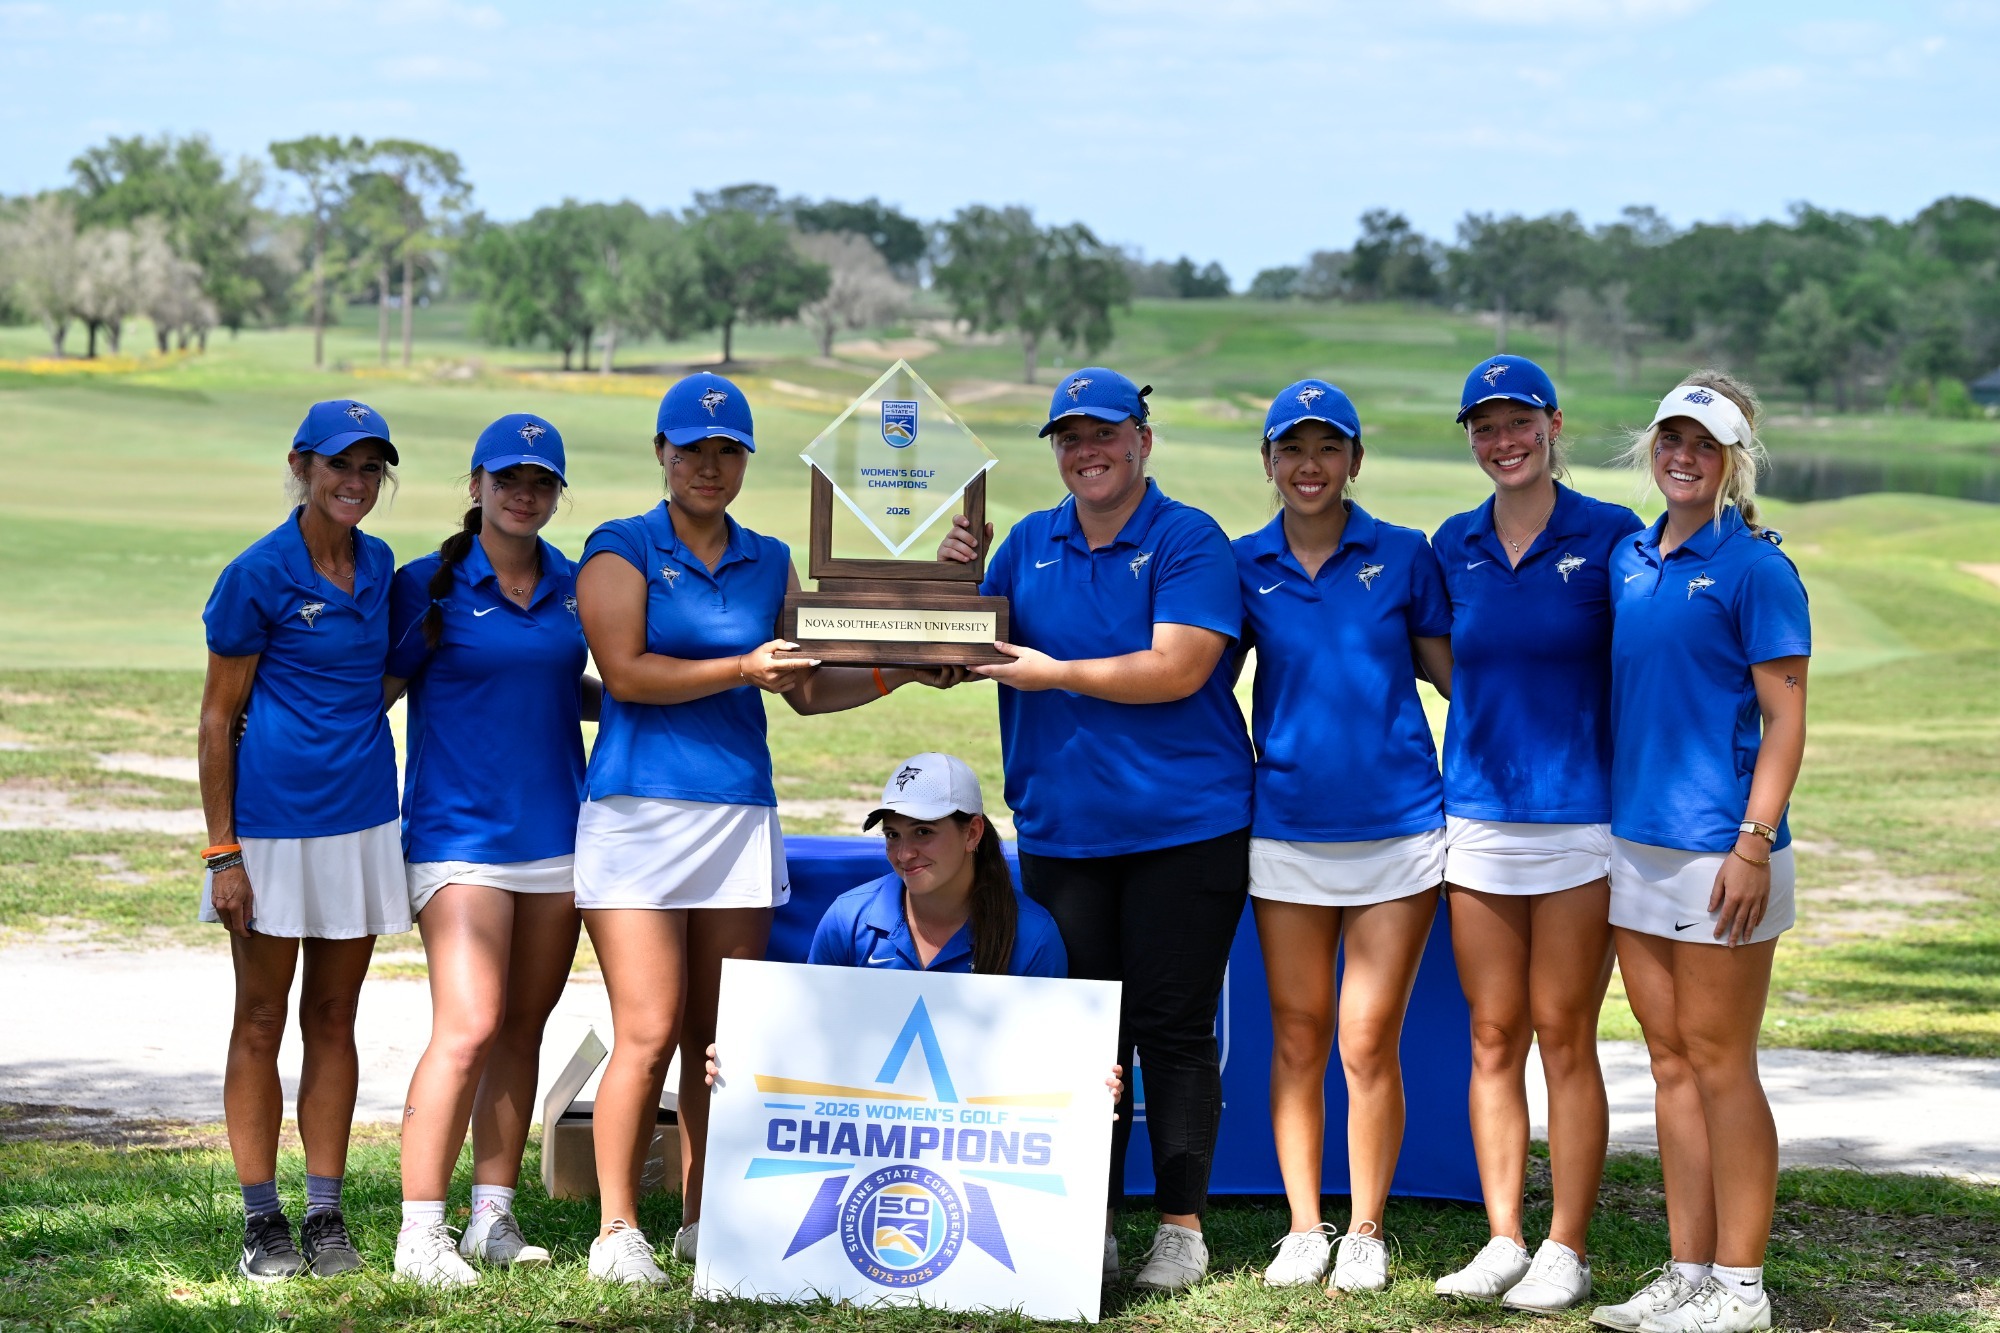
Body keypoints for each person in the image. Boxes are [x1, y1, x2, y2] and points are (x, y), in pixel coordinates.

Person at [573, 372, 961, 1286]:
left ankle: (703, 1218)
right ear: (662, 454)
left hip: (738, 810)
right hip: (637, 813)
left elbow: (807, 689)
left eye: (727, 451)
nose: (709, 466)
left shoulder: (770, 557)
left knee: (718, 1033)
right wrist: (741, 666)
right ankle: (617, 1229)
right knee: (648, 1027)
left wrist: (903, 669)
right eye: (691, 450)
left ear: (744, 460)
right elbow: (625, 673)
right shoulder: (620, 546)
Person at [939, 367, 1254, 1293]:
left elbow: (1179, 666)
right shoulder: (1027, 542)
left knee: (1172, 1028)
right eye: (1070, 438)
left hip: (1184, 827)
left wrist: (1056, 673)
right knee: (1082, 1035)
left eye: (1105, 433)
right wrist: (948, 581)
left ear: (1142, 441)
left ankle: (1181, 1230)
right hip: (1064, 831)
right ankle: (1090, 1221)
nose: (1088, 452)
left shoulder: (1187, 536)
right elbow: (961, 646)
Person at [1589, 373, 1809, 1333]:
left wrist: (1753, 842)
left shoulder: (1758, 569)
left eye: (1705, 444)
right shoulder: (1630, 558)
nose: (1684, 457)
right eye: (1672, 439)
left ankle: (1742, 1285)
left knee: (1722, 1063)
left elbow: (1786, 718)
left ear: (1734, 461)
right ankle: (1688, 1269)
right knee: (1670, 1061)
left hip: (1724, 850)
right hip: (1636, 843)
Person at [1428, 356, 1645, 1311]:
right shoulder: (1454, 542)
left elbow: (1652, 648)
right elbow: (1445, 657)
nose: (1503, 441)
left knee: (1564, 1032)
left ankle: (1567, 1246)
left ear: (1553, 425)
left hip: (1580, 819)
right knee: (1491, 1033)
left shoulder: (1610, 532)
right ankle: (1504, 1237)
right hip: (1477, 818)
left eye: (1519, 422)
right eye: (1485, 427)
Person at [1231, 380, 1455, 1294]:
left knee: (1366, 1039)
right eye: (1292, 448)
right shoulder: (1244, 564)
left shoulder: (1404, 553)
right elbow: (1197, 676)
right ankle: (1303, 1226)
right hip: (1286, 829)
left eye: (1328, 448)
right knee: (1297, 1035)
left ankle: (1364, 1228)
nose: (1310, 465)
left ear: (1356, 460)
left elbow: (1456, 674)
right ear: (1269, 461)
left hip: (1398, 829)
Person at [383, 414, 600, 1287]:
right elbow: (373, 691)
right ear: (476, 485)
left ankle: (491, 1217)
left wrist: (639, 699)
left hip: (555, 833)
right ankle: (419, 1234)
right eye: (508, 478)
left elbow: (567, 681)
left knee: (521, 1024)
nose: (524, 494)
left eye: (541, 481)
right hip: (458, 837)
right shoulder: (425, 585)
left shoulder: (576, 583)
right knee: (469, 1025)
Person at [196, 399, 405, 1281]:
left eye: (369, 468)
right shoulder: (257, 573)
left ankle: (325, 1215)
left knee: (334, 1016)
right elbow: (218, 717)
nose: (354, 482)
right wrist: (223, 852)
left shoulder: (381, 564)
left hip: (363, 821)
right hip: (270, 831)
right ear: (301, 466)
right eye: (338, 465)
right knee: (260, 1016)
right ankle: (262, 1221)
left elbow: (383, 675)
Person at [808, 752, 1067, 977]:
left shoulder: (1033, 936)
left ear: (972, 833)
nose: (904, 854)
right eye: (893, 835)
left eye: (923, 832)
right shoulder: (847, 918)